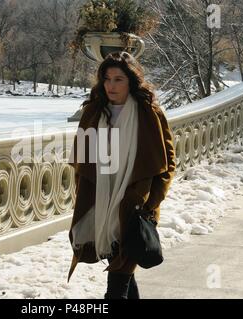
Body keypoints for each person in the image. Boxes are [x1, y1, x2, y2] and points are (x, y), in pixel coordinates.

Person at [67, 52, 176, 299]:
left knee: (116, 286)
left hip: (134, 207)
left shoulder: (149, 113)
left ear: (132, 82)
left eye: (118, 79)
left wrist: (151, 202)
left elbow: (167, 162)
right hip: (102, 204)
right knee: (125, 269)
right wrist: (85, 198)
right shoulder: (93, 113)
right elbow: (81, 162)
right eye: (107, 79)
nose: (111, 85)